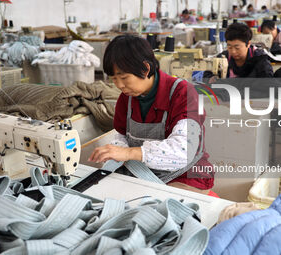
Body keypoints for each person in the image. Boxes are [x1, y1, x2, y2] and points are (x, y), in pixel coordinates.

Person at [88, 35, 215, 195]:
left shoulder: (183, 93)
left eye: (124, 77)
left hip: (185, 175)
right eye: (114, 79)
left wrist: (128, 153)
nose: (119, 85)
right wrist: (117, 151)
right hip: (144, 171)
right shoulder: (126, 99)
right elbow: (121, 135)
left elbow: (184, 150)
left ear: (145, 69)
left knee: (154, 208)